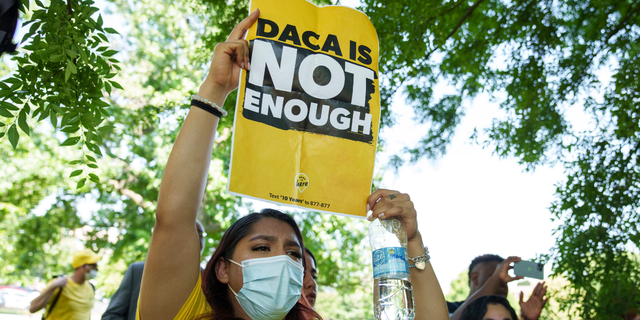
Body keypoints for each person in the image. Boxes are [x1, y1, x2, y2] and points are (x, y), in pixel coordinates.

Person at [135, 9, 449, 320]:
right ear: (222, 269)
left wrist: (410, 242)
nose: (282, 262)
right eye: (261, 248)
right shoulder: (184, 314)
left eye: (294, 254)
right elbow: (173, 218)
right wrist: (215, 90)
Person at [102, 221, 206, 320]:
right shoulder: (137, 271)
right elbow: (112, 315)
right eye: (190, 233)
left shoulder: (207, 278)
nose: (196, 238)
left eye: (200, 234)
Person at [448, 254, 548, 320]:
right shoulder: (447, 309)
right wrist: (495, 279)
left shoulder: (509, 313)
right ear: (475, 278)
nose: (504, 282)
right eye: (494, 276)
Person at [29, 248, 101, 319]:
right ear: (84, 266)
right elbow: (33, 308)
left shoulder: (91, 287)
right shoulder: (59, 283)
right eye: (94, 266)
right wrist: (52, 287)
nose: (96, 269)